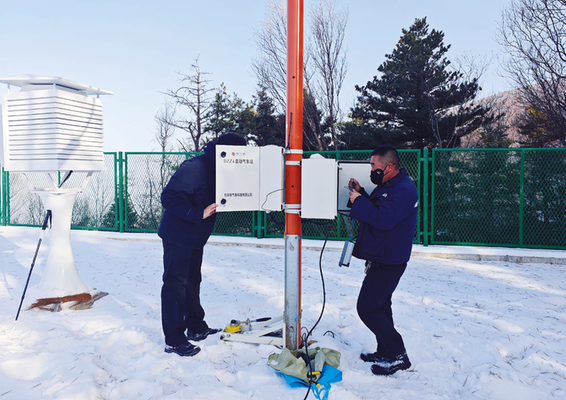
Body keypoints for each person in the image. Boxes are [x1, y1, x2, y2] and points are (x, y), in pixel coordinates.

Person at [158, 132, 247, 357]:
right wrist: (198, 213)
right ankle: (174, 340)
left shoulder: (223, 169)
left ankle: (196, 327)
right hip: (178, 233)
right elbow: (168, 197)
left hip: (197, 235)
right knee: (175, 284)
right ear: (226, 152)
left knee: (192, 281)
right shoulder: (195, 168)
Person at [347, 145, 418, 375]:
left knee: (367, 308)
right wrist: (362, 194)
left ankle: (398, 355)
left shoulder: (403, 190)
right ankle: (385, 351)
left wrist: (359, 201)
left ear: (389, 166)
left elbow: (383, 219)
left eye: (373, 166)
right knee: (381, 306)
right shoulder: (391, 185)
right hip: (383, 255)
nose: (371, 170)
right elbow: (381, 208)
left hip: (390, 259)